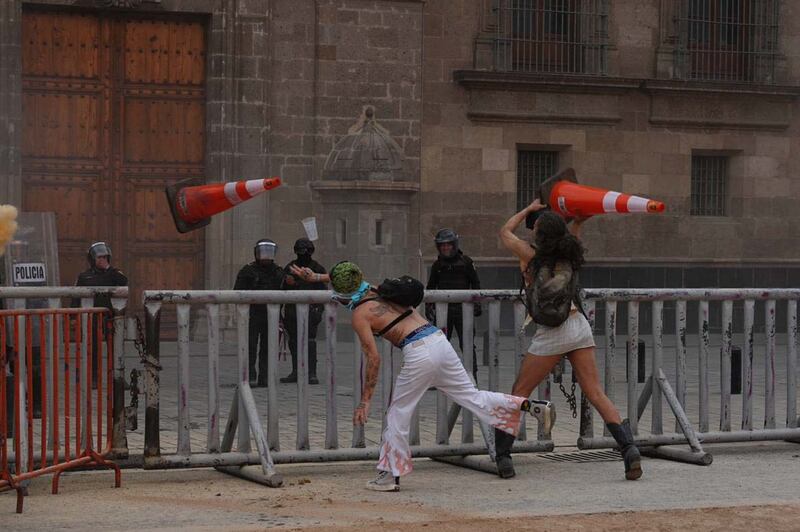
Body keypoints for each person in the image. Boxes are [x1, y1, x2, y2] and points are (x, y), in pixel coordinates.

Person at [307, 260, 554, 492]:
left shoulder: (360, 314)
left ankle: (389, 475)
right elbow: (348, 277)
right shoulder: (384, 290)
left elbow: (373, 358)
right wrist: (317, 276)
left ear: (342, 293)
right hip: (438, 341)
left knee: (398, 413)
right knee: (472, 396)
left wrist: (365, 401)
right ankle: (526, 405)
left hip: (417, 352)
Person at [496, 199, 642, 481]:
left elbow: (504, 232)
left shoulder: (530, 255)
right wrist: (578, 219)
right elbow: (574, 229)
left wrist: (527, 210)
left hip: (552, 332)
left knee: (519, 392)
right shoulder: (570, 254)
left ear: (539, 235)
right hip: (578, 324)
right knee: (596, 392)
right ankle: (629, 449)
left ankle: (503, 457)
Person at [425, 229, 481, 376]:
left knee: (467, 344)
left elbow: (475, 283)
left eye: (448, 245)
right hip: (444, 310)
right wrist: (429, 306)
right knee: (439, 345)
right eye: (442, 245)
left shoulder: (466, 262)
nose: (446, 248)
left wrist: (477, 304)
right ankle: (437, 376)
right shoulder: (437, 265)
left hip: (464, 310)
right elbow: (431, 287)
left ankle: (471, 375)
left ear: (454, 245)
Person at [73, 242, 128, 389]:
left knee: (116, 348)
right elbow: (75, 297)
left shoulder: (114, 273)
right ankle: (94, 378)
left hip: (111, 316)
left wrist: (108, 268)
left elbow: (124, 282)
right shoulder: (84, 276)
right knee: (94, 349)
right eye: (99, 258)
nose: (103, 260)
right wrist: (73, 318)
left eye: (105, 257)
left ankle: (118, 378)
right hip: (93, 317)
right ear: (92, 259)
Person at [233, 239, 284, 387]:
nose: (266, 255)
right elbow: (237, 291)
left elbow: (285, 290)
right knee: (250, 345)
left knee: (269, 346)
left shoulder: (278, 271)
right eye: (263, 251)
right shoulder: (247, 271)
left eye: (269, 251)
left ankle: (265, 376)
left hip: (271, 314)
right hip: (252, 314)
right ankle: (250, 375)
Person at [280, 238, 326, 385]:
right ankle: (296, 371)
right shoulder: (290, 267)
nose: (304, 254)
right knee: (293, 341)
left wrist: (319, 310)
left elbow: (323, 290)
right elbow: (281, 289)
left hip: (311, 309)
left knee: (310, 341)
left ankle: (312, 372)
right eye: (301, 250)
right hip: (292, 310)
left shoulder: (317, 268)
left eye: (307, 250)